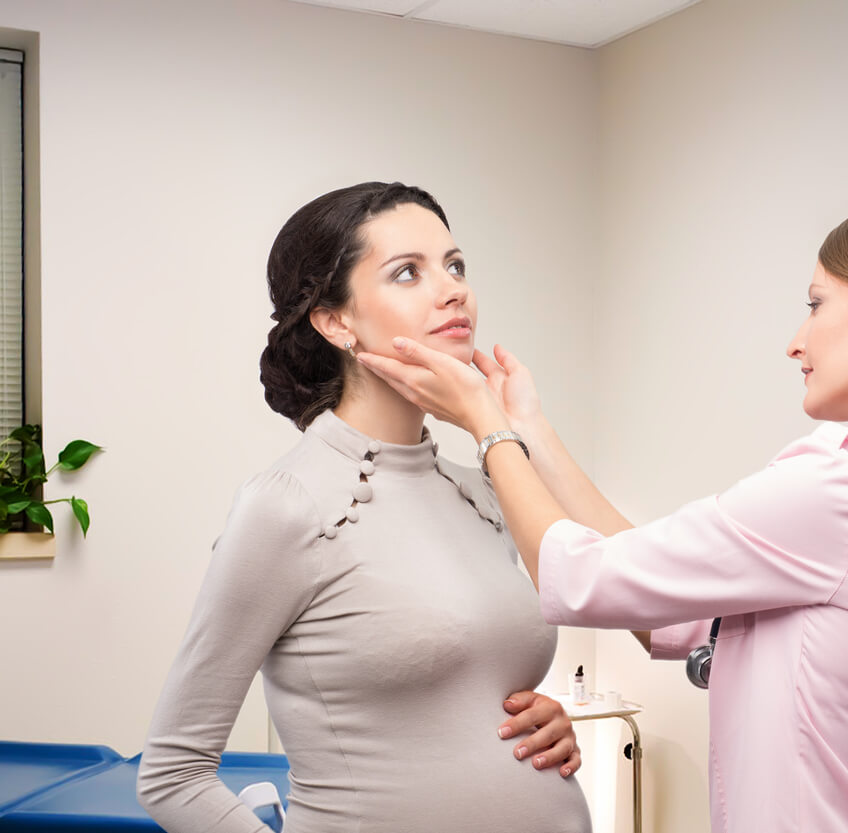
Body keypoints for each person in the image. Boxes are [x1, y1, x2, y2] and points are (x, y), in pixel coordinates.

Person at [357, 198, 848, 833]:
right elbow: (661, 602)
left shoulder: (846, 487)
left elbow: (584, 577)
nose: (796, 342)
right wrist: (530, 429)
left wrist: (485, 423)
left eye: (815, 304)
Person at [137, 182, 592, 833]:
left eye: (455, 264)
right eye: (408, 271)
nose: (453, 287)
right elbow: (173, 773)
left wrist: (538, 727)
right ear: (336, 320)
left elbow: (459, 701)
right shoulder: (287, 507)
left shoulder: (485, 488)